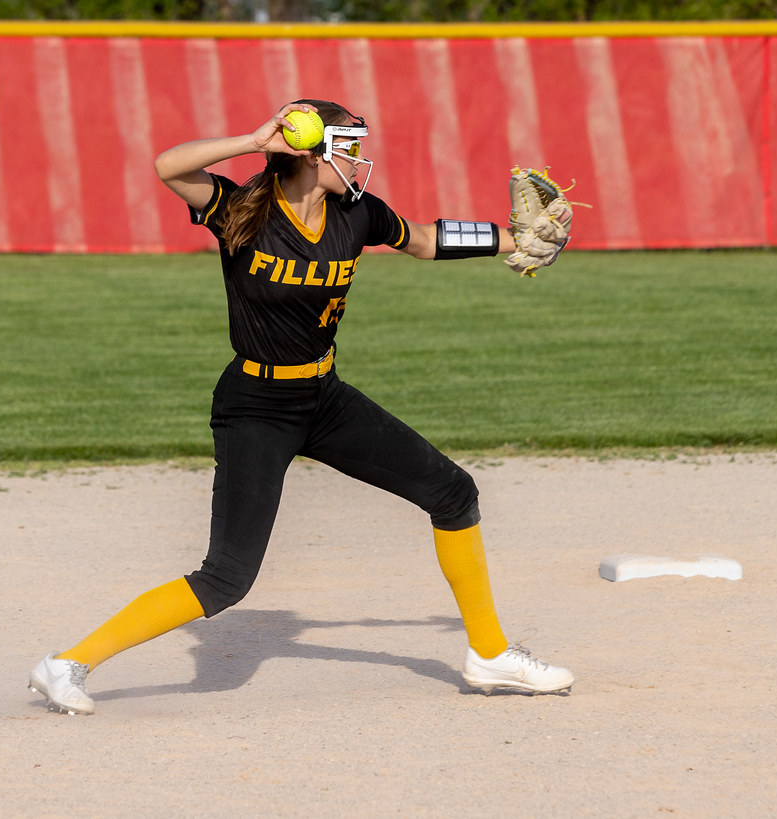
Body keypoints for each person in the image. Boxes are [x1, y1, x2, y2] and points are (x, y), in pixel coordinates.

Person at [28, 99, 574, 715]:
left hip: (324, 397)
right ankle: (66, 663)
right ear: (312, 153)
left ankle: (490, 654)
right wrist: (252, 139)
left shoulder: (356, 212)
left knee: (452, 493)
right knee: (226, 578)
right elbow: (168, 166)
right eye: (349, 148)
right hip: (255, 407)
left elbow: (423, 239)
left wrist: (513, 239)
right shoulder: (241, 209)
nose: (360, 161)